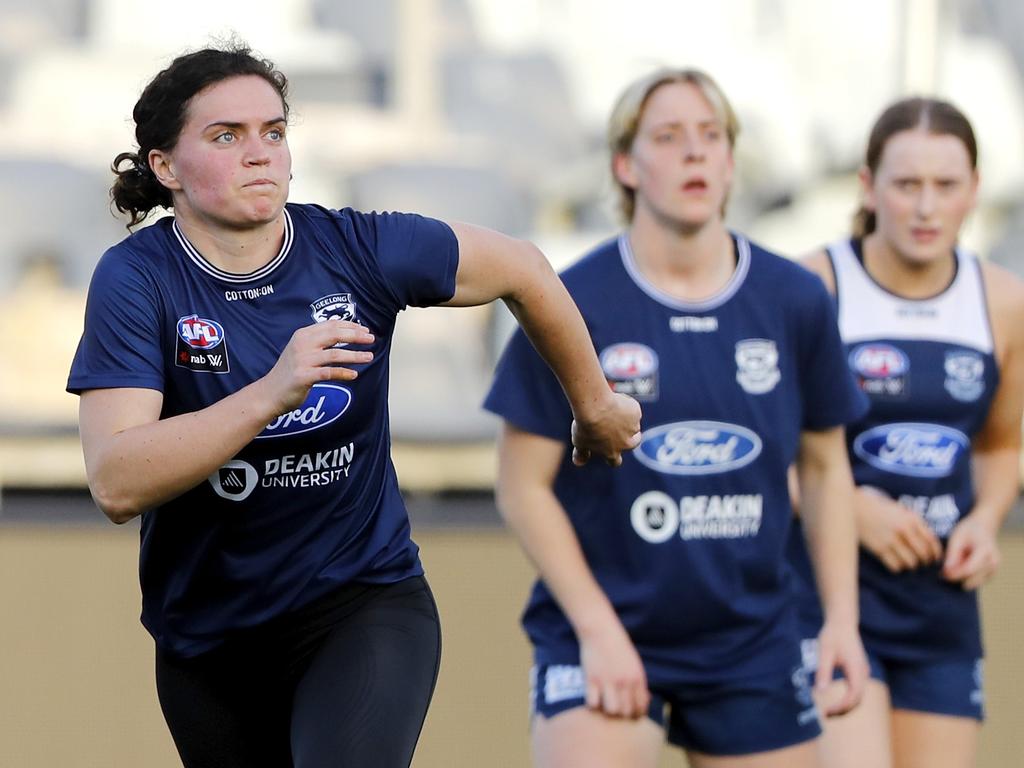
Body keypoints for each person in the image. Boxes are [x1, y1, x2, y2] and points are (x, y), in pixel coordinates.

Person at [67, 43, 641, 768]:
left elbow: (522, 267)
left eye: (273, 132)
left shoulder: (356, 248)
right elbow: (117, 481)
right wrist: (272, 393)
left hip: (360, 603)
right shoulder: (136, 279)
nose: (260, 154)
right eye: (226, 136)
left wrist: (592, 405)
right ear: (166, 167)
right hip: (207, 640)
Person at [483, 67, 869, 768]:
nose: (695, 151)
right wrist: (598, 633)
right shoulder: (571, 303)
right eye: (669, 136)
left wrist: (841, 620)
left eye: (711, 135)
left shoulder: (794, 299)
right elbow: (521, 487)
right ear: (626, 165)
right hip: (605, 629)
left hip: (753, 640)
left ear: (729, 160)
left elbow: (823, 467)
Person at [786, 97, 1024, 768]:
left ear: (974, 191)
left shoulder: (1003, 302)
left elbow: (1002, 444)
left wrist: (986, 519)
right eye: (907, 184)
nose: (926, 207)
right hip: (828, 602)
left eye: (946, 186)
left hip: (939, 610)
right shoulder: (813, 287)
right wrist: (848, 508)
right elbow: (768, 446)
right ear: (868, 186)